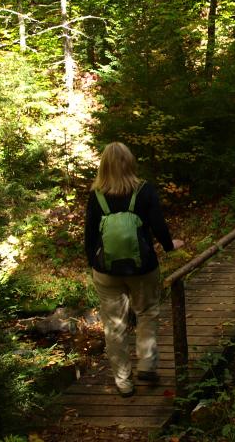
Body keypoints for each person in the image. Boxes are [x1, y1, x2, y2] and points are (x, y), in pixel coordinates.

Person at [84, 142, 183, 397]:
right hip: (143, 268)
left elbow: (90, 236)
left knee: (114, 325)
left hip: (106, 271)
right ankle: (148, 364)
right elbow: (159, 225)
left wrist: (93, 264)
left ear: (103, 165)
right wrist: (170, 247)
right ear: (130, 162)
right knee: (147, 312)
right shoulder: (144, 190)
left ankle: (123, 381)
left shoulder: (96, 196)